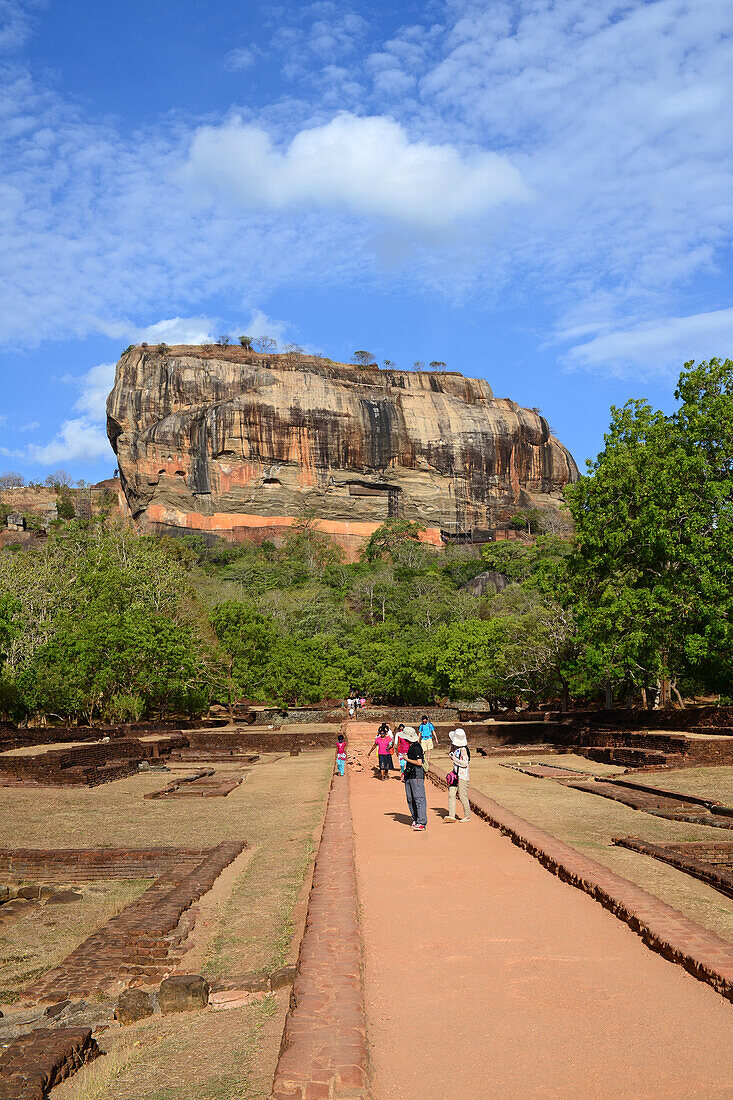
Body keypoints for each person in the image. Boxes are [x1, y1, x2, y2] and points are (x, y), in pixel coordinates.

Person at [401, 725, 427, 830]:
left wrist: (406, 759)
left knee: (419, 798)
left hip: (416, 775)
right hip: (409, 774)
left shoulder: (416, 747)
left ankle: (422, 822)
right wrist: (404, 773)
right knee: (410, 798)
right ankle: (415, 818)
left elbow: (419, 763)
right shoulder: (411, 746)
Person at [446, 728, 471, 822]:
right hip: (455, 775)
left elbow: (465, 763)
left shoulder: (463, 750)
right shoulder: (457, 749)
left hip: (462, 776)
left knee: (462, 796)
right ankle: (451, 815)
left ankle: (467, 816)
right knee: (451, 794)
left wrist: (454, 759)